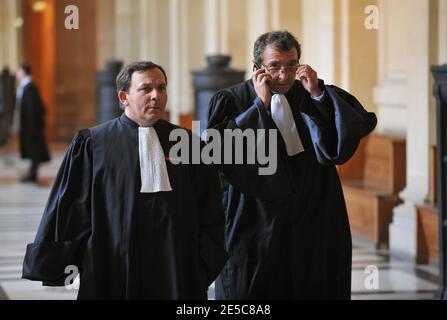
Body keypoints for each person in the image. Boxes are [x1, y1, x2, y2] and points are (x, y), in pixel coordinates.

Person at [22, 61, 228, 299]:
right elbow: (71, 209)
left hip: (177, 270)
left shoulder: (189, 144)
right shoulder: (92, 144)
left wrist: (201, 265)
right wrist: (66, 260)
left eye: (161, 88)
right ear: (124, 97)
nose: (156, 96)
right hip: (111, 267)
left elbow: (213, 208)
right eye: (146, 89)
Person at [207, 31, 377, 299]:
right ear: (257, 65)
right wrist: (258, 106)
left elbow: (353, 127)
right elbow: (218, 151)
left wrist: (319, 94)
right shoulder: (231, 99)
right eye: (274, 66)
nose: (284, 76)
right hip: (255, 212)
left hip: (313, 206)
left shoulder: (310, 91)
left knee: (312, 279)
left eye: (292, 65)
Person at [16, 64, 50, 182]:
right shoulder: (27, 86)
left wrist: (31, 127)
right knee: (32, 150)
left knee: (34, 150)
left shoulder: (30, 87)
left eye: (18, 72)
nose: (17, 74)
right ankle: (32, 173)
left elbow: (31, 109)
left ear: (24, 72)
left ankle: (32, 175)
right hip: (30, 126)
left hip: (31, 126)